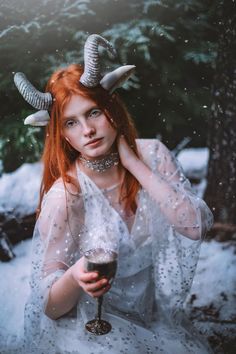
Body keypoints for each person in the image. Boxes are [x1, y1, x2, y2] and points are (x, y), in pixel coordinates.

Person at [12, 34, 213, 354]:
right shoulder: (67, 193)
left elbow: (195, 226)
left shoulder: (153, 155)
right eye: (70, 123)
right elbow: (48, 307)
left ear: (111, 108)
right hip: (91, 330)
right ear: (60, 133)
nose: (87, 130)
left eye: (93, 113)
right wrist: (76, 276)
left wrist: (134, 163)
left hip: (150, 321)